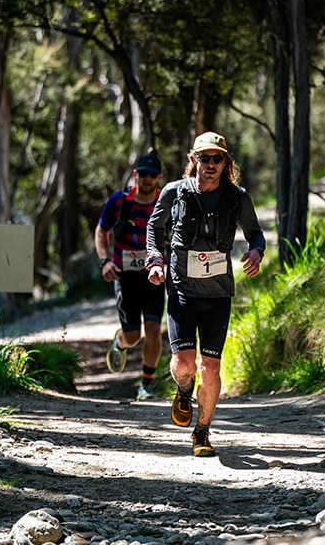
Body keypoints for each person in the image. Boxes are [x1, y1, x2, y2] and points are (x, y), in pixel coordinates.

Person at [145, 131, 265, 457]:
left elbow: (255, 234)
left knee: (210, 367)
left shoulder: (237, 197)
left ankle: (201, 432)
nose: (211, 164)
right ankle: (184, 390)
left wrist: (256, 252)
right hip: (181, 289)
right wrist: (155, 259)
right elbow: (154, 228)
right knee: (184, 364)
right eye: (205, 158)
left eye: (218, 158)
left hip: (218, 293)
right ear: (193, 159)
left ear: (226, 163)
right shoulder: (174, 192)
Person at [94, 152, 166, 401]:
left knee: (154, 331)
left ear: (159, 177)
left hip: (154, 277)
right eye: (143, 174)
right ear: (136, 174)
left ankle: (146, 384)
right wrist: (104, 262)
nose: (147, 179)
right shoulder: (119, 201)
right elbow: (101, 231)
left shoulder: (164, 202)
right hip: (125, 279)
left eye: (152, 175)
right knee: (134, 337)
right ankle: (121, 342)